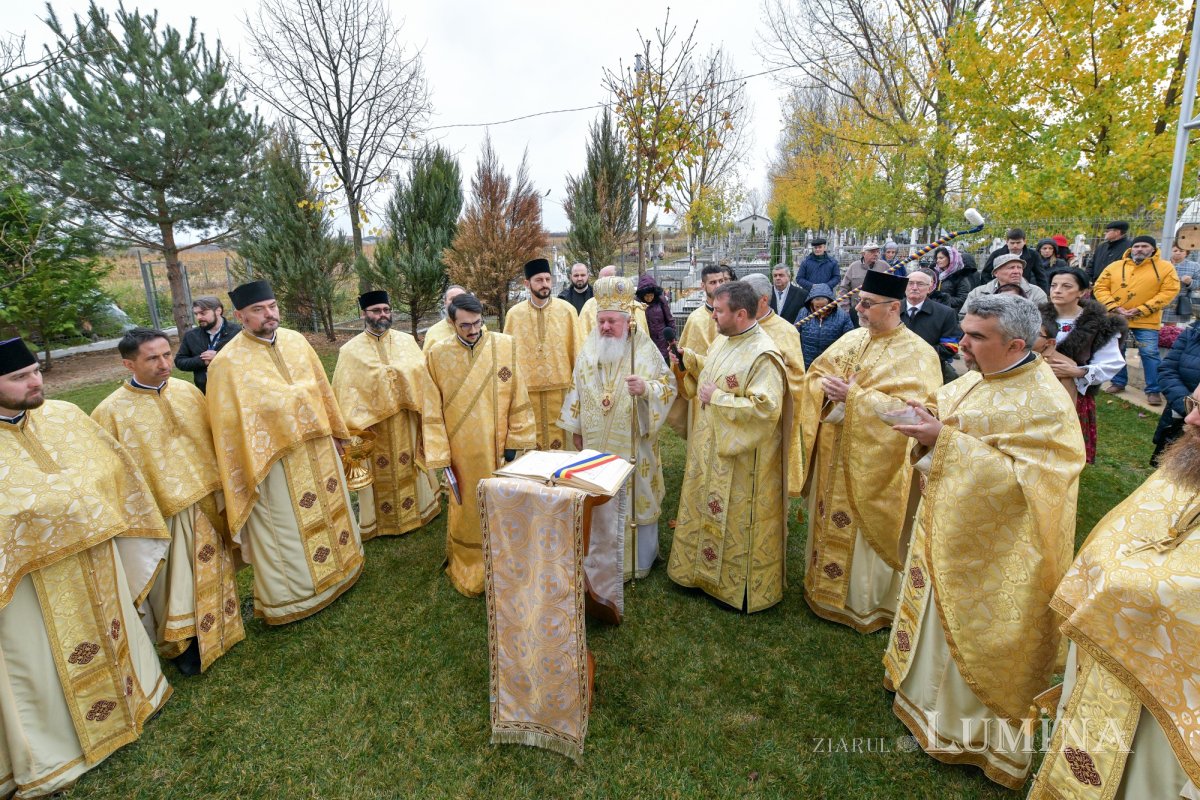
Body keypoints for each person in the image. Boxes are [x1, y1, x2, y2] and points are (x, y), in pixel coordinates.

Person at [882, 294, 1085, 789]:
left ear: (1016, 344)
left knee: (972, 632)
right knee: (933, 614)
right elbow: (959, 425)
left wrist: (943, 441)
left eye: (976, 336)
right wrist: (929, 422)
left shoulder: (1046, 403)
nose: (963, 343)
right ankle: (920, 700)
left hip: (998, 554)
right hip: (946, 530)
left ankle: (963, 732)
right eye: (965, 331)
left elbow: (1037, 484)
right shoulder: (977, 377)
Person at [0, 337, 173, 797]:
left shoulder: (65, 416)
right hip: (28, 585)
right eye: (19, 378)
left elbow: (116, 472)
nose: (35, 382)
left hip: (95, 559)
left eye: (35, 371)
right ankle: (57, 750)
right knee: (40, 661)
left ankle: (135, 699)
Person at [1029, 389, 1200, 799]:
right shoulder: (1186, 466)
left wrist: (1133, 586)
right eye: (1194, 406)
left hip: (1174, 678)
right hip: (1118, 635)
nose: (1189, 421)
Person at [207, 280, 365, 624]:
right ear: (240, 316)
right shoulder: (226, 365)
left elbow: (322, 389)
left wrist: (338, 434)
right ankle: (295, 597)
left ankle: (345, 569)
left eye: (273, 306)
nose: (269, 314)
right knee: (289, 527)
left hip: (319, 448)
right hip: (273, 463)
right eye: (258, 310)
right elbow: (229, 429)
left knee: (333, 508)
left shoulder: (296, 341)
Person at [92, 328, 244, 676]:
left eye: (166, 355)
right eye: (152, 358)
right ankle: (182, 647)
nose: (164, 364)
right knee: (172, 583)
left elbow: (210, 437)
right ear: (128, 363)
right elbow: (111, 475)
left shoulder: (188, 391)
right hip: (161, 511)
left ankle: (223, 625)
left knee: (213, 566)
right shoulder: (110, 413)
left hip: (205, 495)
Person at [797, 271, 941, 632]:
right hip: (835, 455)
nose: (857, 309)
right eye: (858, 301)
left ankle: (863, 603)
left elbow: (919, 414)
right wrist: (824, 390)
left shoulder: (919, 354)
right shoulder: (852, 339)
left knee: (862, 534)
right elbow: (815, 375)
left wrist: (855, 399)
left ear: (894, 307)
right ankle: (821, 590)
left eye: (866, 303)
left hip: (878, 466)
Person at [668, 281, 789, 612]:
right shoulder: (725, 339)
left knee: (732, 519)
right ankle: (700, 575)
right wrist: (688, 359)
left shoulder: (764, 354)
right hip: (710, 449)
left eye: (718, 311)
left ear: (741, 313)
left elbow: (766, 410)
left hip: (741, 461)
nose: (713, 316)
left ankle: (734, 587)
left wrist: (718, 398)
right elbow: (712, 368)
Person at [559, 276, 678, 578]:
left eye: (612, 321)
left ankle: (639, 561)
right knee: (599, 496)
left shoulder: (644, 349)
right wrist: (576, 427)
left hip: (634, 444)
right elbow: (576, 389)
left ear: (627, 321)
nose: (605, 327)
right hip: (596, 443)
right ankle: (600, 556)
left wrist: (647, 389)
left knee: (636, 496)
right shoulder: (589, 350)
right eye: (601, 321)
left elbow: (668, 385)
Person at [424, 293, 536, 596]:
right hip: (462, 452)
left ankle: (508, 565)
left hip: (501, 447)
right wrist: (441, 455)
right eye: (465, 326)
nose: (473, 330)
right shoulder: (437, 355)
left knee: (505, 506)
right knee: (469, 506)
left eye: (477, 323)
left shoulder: (504, 345)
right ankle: (471, 562)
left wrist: (516, 439)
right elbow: (431, 408)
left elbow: (518, 394)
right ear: (451, 322)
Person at [331, 290, 441, 539]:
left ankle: (421, 510)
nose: (383, 315)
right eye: (376, 311)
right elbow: (344, 390)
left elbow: (420, 374)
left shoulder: (406, 341)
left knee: (411, 463)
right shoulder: (350, 351)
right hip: (373, 427)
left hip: (406, 419)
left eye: (386, 310)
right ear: (364, 314)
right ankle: (379, 522)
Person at [1035, 267, 1126, 463]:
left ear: (1082, 292)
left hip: (1073, 394)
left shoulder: (1100, 324)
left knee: (1064, 451)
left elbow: (1112, 363)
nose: (1057, 290)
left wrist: (1078, 371)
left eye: (1066, 286)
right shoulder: (1034, 317)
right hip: (1034, 389)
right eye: (1054, 285)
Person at [503, 258, 581, 450]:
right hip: (526, 393)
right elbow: (506, 354)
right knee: (532, 448)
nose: (545, 284)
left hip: (562, 391)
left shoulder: (567, 311)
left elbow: (578, 350)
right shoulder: (514, 314)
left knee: (562, 447)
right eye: (539, 280)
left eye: (548, 279)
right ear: (527, 283)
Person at [1094, 234, 1181, 405]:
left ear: (1153, 249)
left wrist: (1142, 309)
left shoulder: (1165, 268)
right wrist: (1113, 306)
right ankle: (1118, 382)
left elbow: (1169, 291)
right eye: (1136, 246)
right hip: (1117, 317)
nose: (1139, 249)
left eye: (1144, 246)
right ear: (1131, 248)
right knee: (1117, 351)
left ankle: (1153, 390)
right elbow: (1100, 286)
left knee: (1149, 353)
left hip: (1147, 320)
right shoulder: (1115, 266)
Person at [744, 273, 806, 497]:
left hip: (771, 411)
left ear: (763, 300)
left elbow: (798, 376)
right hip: (742, 409)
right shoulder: (739, 325)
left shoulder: (785, 331)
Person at [667, 263, 732, 437]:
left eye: (721, 281)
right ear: (703, 286)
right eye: (713, 282)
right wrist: (680, 360)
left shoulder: (734, 315)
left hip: (731, 388)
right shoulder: (695, 320)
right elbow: (684, 365)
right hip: (701, 389)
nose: (719, 286)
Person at [901, 271, 962, 384]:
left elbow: (950, 347)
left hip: (930, 372)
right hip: (896, 372)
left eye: (920, 284)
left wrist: (915, 353)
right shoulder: (891, 310)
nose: (914, 287)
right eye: (910, 283)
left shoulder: (946, 313)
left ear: (929, 289)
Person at [1152, 322, 1200, 464]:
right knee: (1168, 478)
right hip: (1177, 420)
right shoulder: (1194, 331)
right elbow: (1167, 370)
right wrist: (1189, 407)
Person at [173, 295, 241, 394]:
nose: (199, 317)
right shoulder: (191, 336)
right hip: (205, 391)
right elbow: (180, 361)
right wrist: (202, 361)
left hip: (233, 390)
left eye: (203, 313)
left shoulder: (238, 332)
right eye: (196, 314)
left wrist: (219, 357)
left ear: (218, 311)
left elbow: (246, 359)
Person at [962, 252, 1048, 315]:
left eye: (1019, 268)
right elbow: (964, 317)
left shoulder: (1036, 293)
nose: (1017, 271)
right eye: (1011, 268)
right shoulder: (979, 293)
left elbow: (1044, 322)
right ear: (996, 273)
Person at [578, 265, 648, 340]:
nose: (603, 285)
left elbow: (643, 342)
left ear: (620, 281)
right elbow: (582, 339)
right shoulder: (589, 306)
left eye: (607, 281)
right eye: (600, 281)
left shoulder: (635, 306)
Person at [798, 283, 856, 368]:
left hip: (831, 365)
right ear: (811, 303)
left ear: (830, 303)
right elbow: (795, 335)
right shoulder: (803, 313)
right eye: (817, 306)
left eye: (823, 306)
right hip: (806, 363)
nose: (820, 310)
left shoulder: (842, 316)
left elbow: (850, 340)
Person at [980, 227, 1048, 292]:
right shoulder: (997, 254)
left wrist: (1043, 293)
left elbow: (1041, 276)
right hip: (1000, 289)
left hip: (1024, 291)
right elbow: (985, 274)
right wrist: (992, 289)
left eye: (1018, 243)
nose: (1015, 246)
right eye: (1012, 243)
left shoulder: (1033, 255)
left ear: (1024, 241)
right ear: (1007, 242)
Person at [837, 242, 889, 325]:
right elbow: (844, 289)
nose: (876, 254)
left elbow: (892, 288)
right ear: (863, 254)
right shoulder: (853, 267)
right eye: (872, 252)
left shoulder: (884, 266)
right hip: (857, 310)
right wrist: (846, 309)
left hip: (878, 311)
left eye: (877, 252)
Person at [637, 273, 676, 363]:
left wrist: (672, 337)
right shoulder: (637, 304)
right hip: (646, 341)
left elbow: (669, 319)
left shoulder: (661, 300)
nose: (649, 298)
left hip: (662, 341)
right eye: (646, 296)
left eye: (651, 295)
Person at [928, 246, 976, 313]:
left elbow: (963, 299)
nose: (938, 260)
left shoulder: (960, 276)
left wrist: (943, 300)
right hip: (932, 311)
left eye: (941, 258)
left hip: (949, 313)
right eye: (937, 258)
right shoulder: (935, 274)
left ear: (950, 258)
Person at [422, 285, 468, 352]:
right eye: (452, 299)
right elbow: (426, 360)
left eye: (462, 298)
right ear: (445, 303)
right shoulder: (433, 332)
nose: (458, 302)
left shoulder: (479, 328)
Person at [1163, 242, 1199, 326]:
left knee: (1171, 331)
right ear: (1171, 251)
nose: (1178, 252)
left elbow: (1198, 284)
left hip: (1178, 303)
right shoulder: (1163, 264)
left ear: (1187, 253)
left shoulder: (1194, 266)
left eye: (1181, 251)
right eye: (1175, 250)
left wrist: (1190, 282)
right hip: (1161, 300)